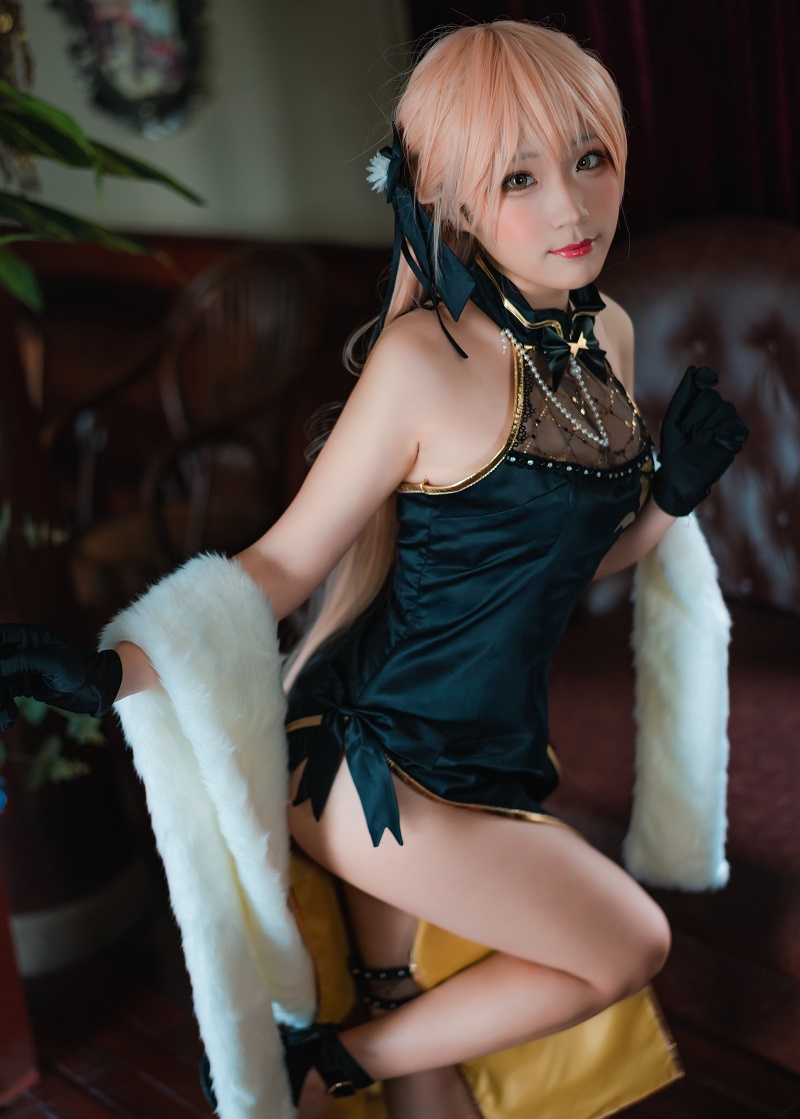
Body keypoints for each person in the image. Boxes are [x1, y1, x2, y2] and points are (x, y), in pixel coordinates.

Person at [0, 20, 747, 1119]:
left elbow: (569, 570)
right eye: (519, 177)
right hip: (372, 767)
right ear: (448, 198)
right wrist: (112, 672)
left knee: (415, 1025)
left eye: (590, 157)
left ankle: (340, 1058)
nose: (571, 207)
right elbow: (277, 564)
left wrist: (668, 499)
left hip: (496, 759)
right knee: (630, 943)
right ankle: (324, 1065)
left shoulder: (608, 337)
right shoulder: (419, 363)